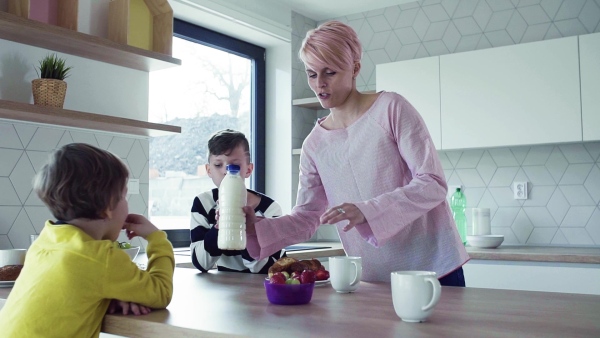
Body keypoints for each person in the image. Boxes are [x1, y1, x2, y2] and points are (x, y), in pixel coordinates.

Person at [243, 21, 469, 285]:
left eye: (330, 73)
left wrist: (368, 211)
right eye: (312, 74)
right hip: (372, 279)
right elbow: (307, 217)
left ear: (355, 69)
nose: (320, 85)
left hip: (433, 267)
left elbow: (432, 183)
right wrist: (254, 229)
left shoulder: (391, 109)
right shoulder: (314, 145)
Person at [0, 143, 175, 337]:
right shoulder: (100, 258)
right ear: (108, 206)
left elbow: (72, 291)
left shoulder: (45, 240)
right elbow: (161, 292)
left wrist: (108, 295)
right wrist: (156, 238)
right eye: (125, 195)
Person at [190, 129, 284, 273]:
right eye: (218, 165)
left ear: (248, 170)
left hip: (259, 290)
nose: (226, 171)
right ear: (209, 170)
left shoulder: (270, 209)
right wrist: (219, 228)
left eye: (235, 166)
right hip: (224, 288)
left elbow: (270, 268)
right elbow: (201, 263)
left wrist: (247, 230)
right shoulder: (203, 204)